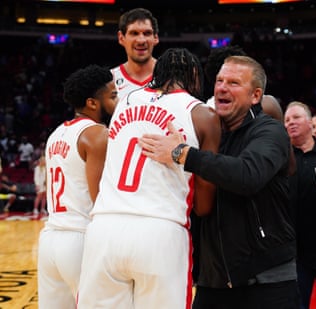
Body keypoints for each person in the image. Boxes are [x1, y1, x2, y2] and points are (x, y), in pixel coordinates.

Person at [140, 55, 299, 308]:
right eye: (219, 81)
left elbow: (247, 175)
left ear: (255, 96)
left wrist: (184, 154)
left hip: (266, 278)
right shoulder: (206, 131)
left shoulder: (270, 131)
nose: (222, 88)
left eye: (234, 83)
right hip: (214, 278)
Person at [77, 48, 221, 309]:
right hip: (160, 229)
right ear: (194, 75)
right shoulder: (201, 114)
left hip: (104, 228)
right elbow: (203, 206)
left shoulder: (124, 102)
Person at [38, 64, 117, 309]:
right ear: (93, 103)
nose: (118, 100)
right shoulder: (98, 134)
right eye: (113, 95)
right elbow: (99, 199)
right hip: (80, 239)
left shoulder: (57, 133)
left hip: (50, 239)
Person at [284, 102, 316, 309]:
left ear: (310, 123)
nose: (291, 123)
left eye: (296, 117)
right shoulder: (281, 156)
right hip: (293, 250)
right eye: (286, 120)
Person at [204, 45, 283, 121]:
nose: (224, 87)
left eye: (234, 82)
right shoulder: (208, 113)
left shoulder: (267, 104)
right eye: (220, 80)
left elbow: (282, 133)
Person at [111, 8, 159, 102]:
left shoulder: (173, 79)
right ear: (121, 38)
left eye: (147, 33)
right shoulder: (109, 81)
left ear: (155, 38)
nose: (141, 40)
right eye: (134, 33)